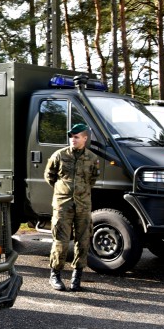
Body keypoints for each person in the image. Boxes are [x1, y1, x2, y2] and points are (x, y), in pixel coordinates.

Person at [44, 123, 100, 291]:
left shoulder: (92, 158)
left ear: (85, 138)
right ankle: (55, 275)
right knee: (60, 242)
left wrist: (80, 192)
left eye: (76, 137)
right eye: (71, 137)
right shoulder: (59, 155)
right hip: (63, 205)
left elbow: (92, 180)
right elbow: (49, 176)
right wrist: (64, 191)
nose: (72, 139)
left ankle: (77, 276)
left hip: (83, 205)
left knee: (83, 241)